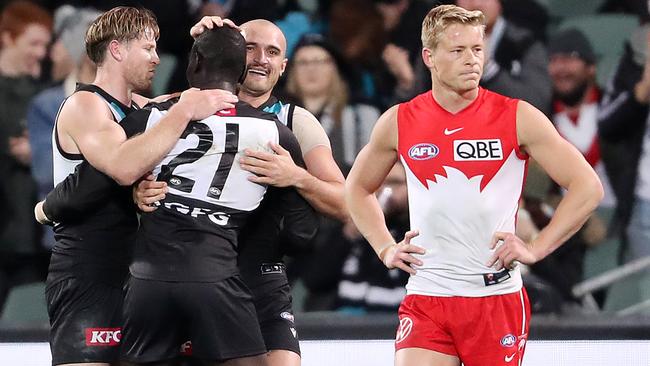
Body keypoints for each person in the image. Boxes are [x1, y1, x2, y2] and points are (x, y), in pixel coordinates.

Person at [344, 5, 603, 366]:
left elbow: (587, 187)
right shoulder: (400, 121)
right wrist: (385, 247)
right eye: (458, 50)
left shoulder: (517, 116)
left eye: (478, 49)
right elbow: (356, 188)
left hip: (494, 297)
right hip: (428, 295)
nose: (472, 60)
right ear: (429, 57)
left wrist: (535, 248)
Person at [136, 17, 346, 366]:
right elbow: (121, 157)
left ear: (283, 66)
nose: (261, 58)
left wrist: (295, 176)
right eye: (250, 48)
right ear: (233, 55)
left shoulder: (295, 121)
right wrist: (136, 190)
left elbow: (345, 204)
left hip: (260, 276)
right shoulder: (181, 106)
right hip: (190, 266)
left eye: (273, 52)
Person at [33, 7, 236, 366]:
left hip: (138, 274)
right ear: (116, 50)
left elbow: (199, 100)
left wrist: (210, 42)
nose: (157, 59)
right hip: (87, 274)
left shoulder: (143, 109)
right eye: (148, 48)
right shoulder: (86, 105)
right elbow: (124, 166)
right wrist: (181, 112)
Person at [0, 0, 52, 314]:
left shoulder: (44, 95)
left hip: (31, 234)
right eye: (33, 43)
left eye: (45, 45)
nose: (41, 53)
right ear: (6, 38)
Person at [284, 33, 380, 174]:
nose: (311, 69)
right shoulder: (279, 115)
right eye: (303, 62)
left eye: (319, 62)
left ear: (335, 69)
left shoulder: (362, 116)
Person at [456, 0, 552, 116]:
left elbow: (538, 104)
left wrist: (490, 70)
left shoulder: (526, 43)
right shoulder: (441, 46)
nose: (476, 4)